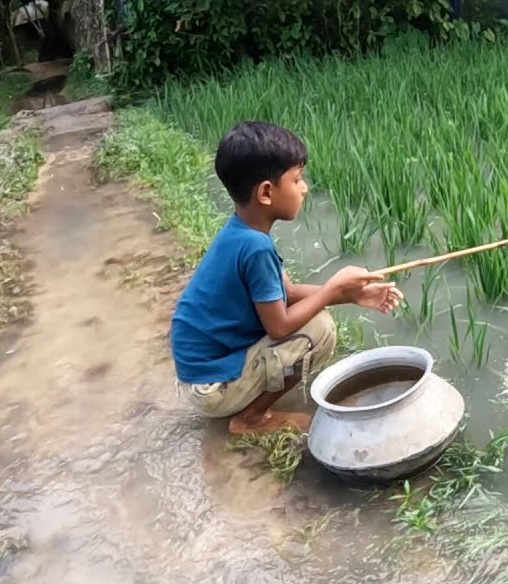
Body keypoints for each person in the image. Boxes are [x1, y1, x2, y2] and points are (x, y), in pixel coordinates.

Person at [170, 121, 403, 435]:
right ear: (266, 192)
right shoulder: (255, 247)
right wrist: (332, 288)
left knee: (312, 314)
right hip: (210, 388)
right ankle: (250, 418)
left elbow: (288, 291)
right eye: (296, 179)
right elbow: (278, 326)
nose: (304, 187)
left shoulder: (242, 232)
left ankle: (247, 395)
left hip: (199, 372)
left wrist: (349, 294)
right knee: (320, 329)